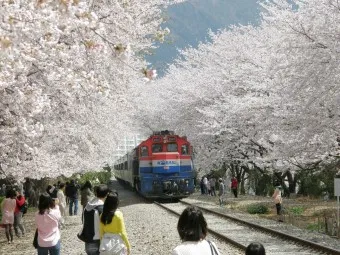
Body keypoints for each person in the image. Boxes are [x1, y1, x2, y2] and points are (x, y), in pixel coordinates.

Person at [78, 184, 110, 255]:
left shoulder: (88, 206)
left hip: (88, 242)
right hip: (99, 241)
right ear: (107, 194)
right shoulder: (102, 208)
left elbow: (83, 221)